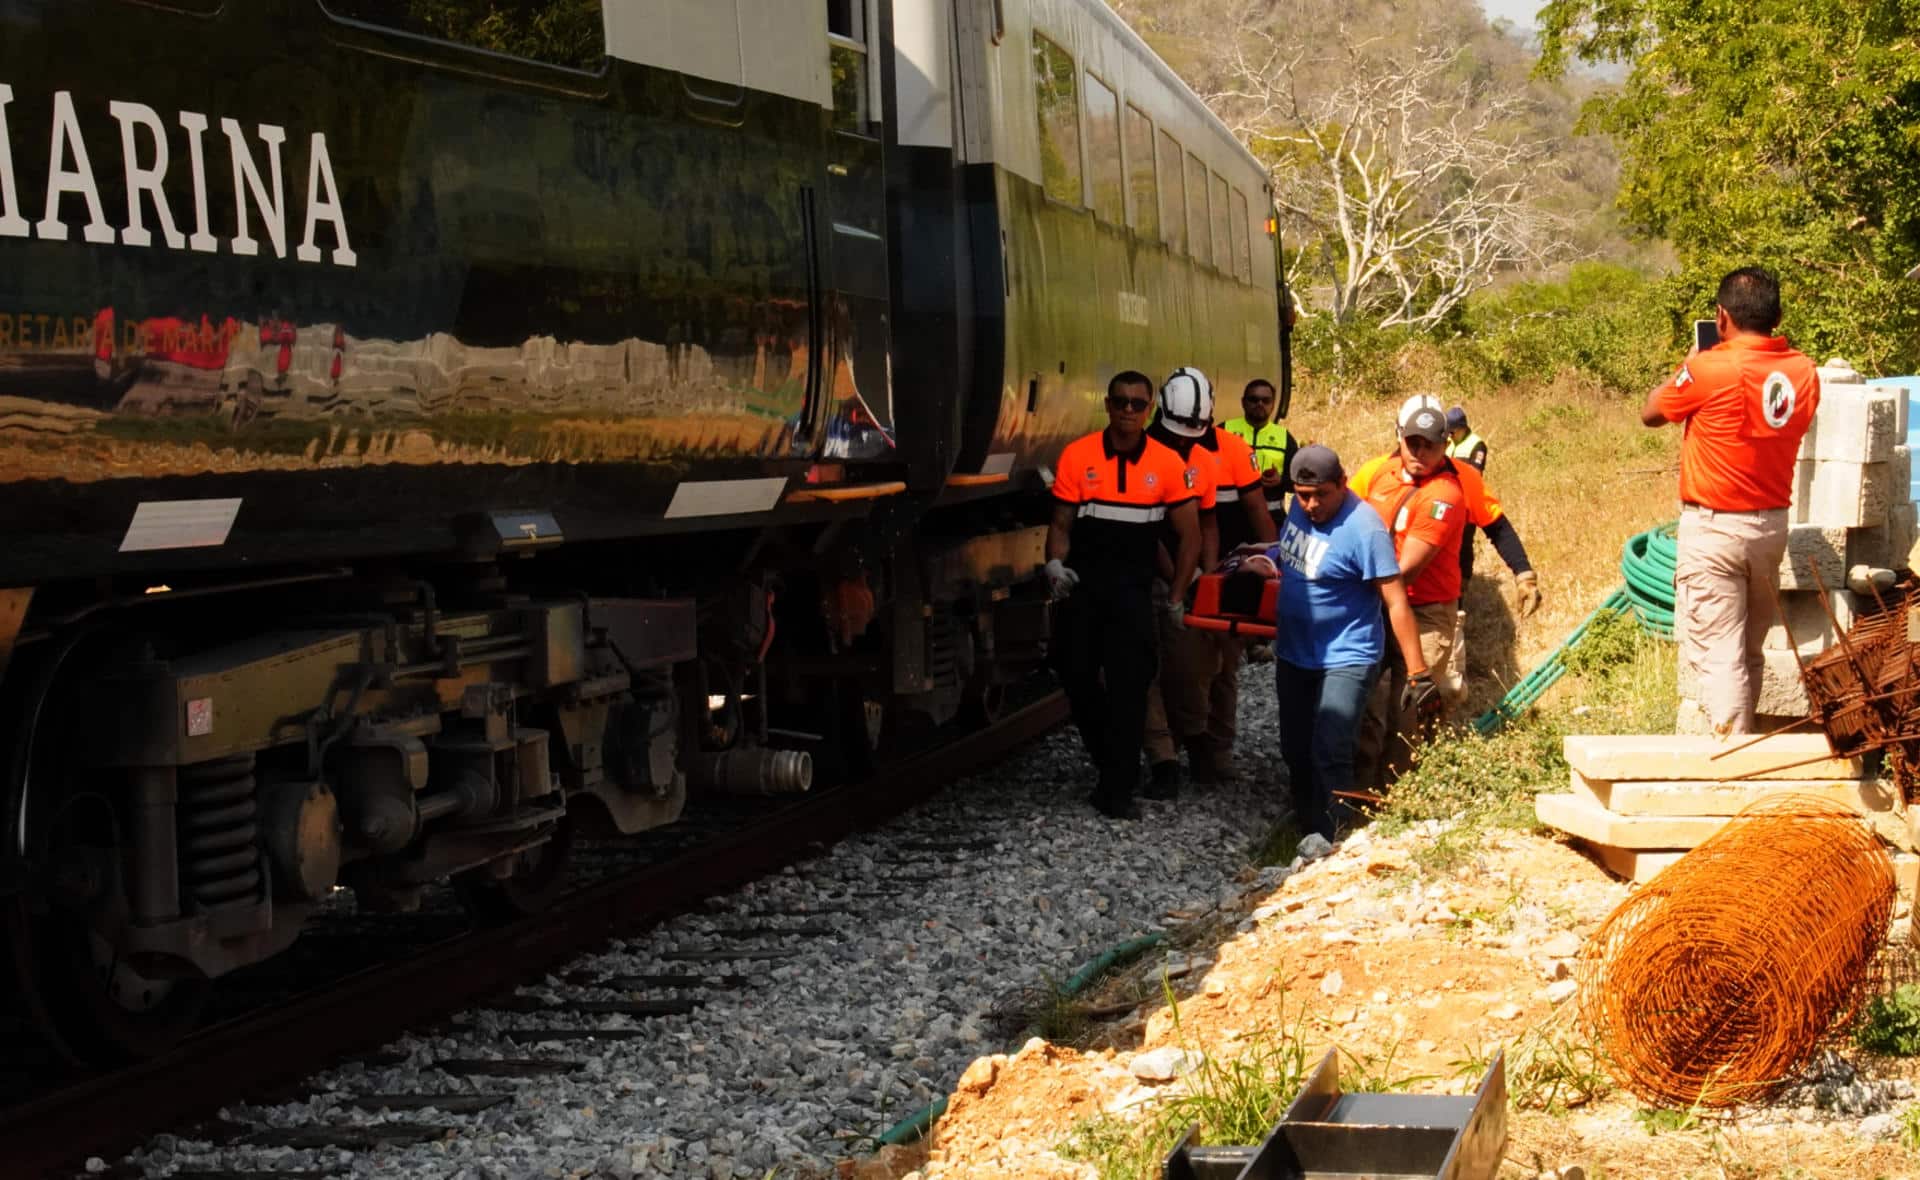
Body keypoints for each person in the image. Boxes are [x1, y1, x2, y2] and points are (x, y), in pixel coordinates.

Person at [1641, 266, 1819, 735]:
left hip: (1715, 529)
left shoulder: (1708, 368)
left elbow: (1652, 412)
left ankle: (1729, 762)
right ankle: (1746, 743)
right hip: (1770, 528)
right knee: (1748, 651)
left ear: (1722, 318)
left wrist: (1689, 363)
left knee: (1719, 654)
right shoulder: (1804, 372)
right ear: (1777, 315)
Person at [1238, 445, 1432, 840]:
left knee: (1331, 749)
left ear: (1342, 484)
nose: (1311, 504)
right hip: (1294, 652)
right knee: (1295, 747)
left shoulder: (1364, 529)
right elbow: (1297, 558)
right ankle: (1305, 826)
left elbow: (1395, 600)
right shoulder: (1298, 508)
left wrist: (1418, 672)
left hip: (1347, 654)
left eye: (1322, 494)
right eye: (1303, 495)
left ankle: (1335, 838)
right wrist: (1260, 557)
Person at [1047, 370, 1203, 818]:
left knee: (1130, 688)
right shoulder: (1078, 457)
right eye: (1121, 402)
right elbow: (1060, 524)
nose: (1129, 411)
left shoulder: (1167, 464)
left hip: (1134, 594)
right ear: (1108, 404)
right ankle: (1111, 763)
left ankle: (1117, 789)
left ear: (1150, 408)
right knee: (1075, 676)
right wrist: (1054, 564)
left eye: (1138, 403)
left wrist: (1175, 595)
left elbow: (1189, 536)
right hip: (1084, 588)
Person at [1142, 367, 1276, 794]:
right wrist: (1184, 581)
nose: (1186, 440)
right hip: (1154, 572)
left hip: (1204, 573)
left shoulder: (1213, 455)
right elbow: (1152, 533)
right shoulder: (1147, 452)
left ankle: (1207, 750)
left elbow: (1209, 523)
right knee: (1161, 668)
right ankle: (1173, 753)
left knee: (1217, 668)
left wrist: (1210, 575)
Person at [1348, 398, 1465, 790]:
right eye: (1412, 442)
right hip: (1377, 603)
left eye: (1430, 444)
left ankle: (1400, 796)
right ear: (1399, 437)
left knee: (1411, 708)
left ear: (1445, 444)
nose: (1419, 452)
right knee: (1363, 699)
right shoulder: (1379, 474)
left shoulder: (1444, 495)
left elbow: (1406, 569)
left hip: (1424, 611)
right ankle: (1358, 792)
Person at [1221, 378, 1296, 519]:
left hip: (1271, 517)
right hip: (1229, 517)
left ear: (1273, 405)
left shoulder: (1285, 438)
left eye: (1266, 400)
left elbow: (1297, 481)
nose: (1259, 404)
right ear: (1243, 402)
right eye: (1253, 400)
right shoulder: (1224, 430)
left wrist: (1280, 481)